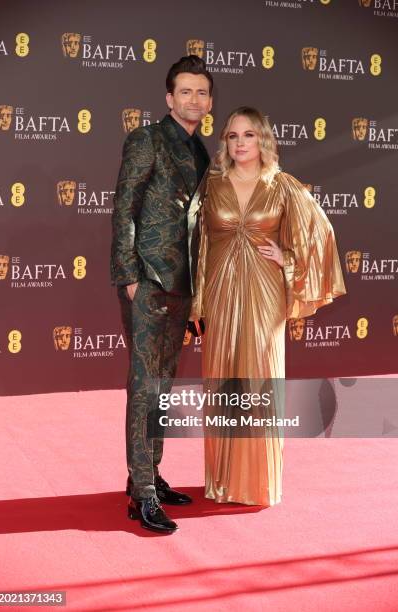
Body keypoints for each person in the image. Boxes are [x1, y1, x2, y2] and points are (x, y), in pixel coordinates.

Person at [190, 107, 346, 506]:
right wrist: (197, 302)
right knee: (223, 376)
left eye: (249, 135)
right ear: (225, 142)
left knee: (260, 378)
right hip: (222, 293)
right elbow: (201, 245)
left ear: (263, 140)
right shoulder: (212, 184)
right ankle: (222, 479)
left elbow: (320, 235)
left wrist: (287, 258)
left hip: (264, 294)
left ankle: (258, 481)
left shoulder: (282, 185)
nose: (240, 143)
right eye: (232, 136)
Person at [110, 55, 213, 533]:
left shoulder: (203, 152)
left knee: (164, 388)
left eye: (202, 92)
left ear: (209, 102)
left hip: (183, 286)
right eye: (185, 91)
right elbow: (124, 207)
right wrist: (129, 274)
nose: (194, 99)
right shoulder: (146, 139)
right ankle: (143, 494)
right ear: (169, 98)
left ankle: (149, 475)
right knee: (145, 385)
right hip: (148, 281)